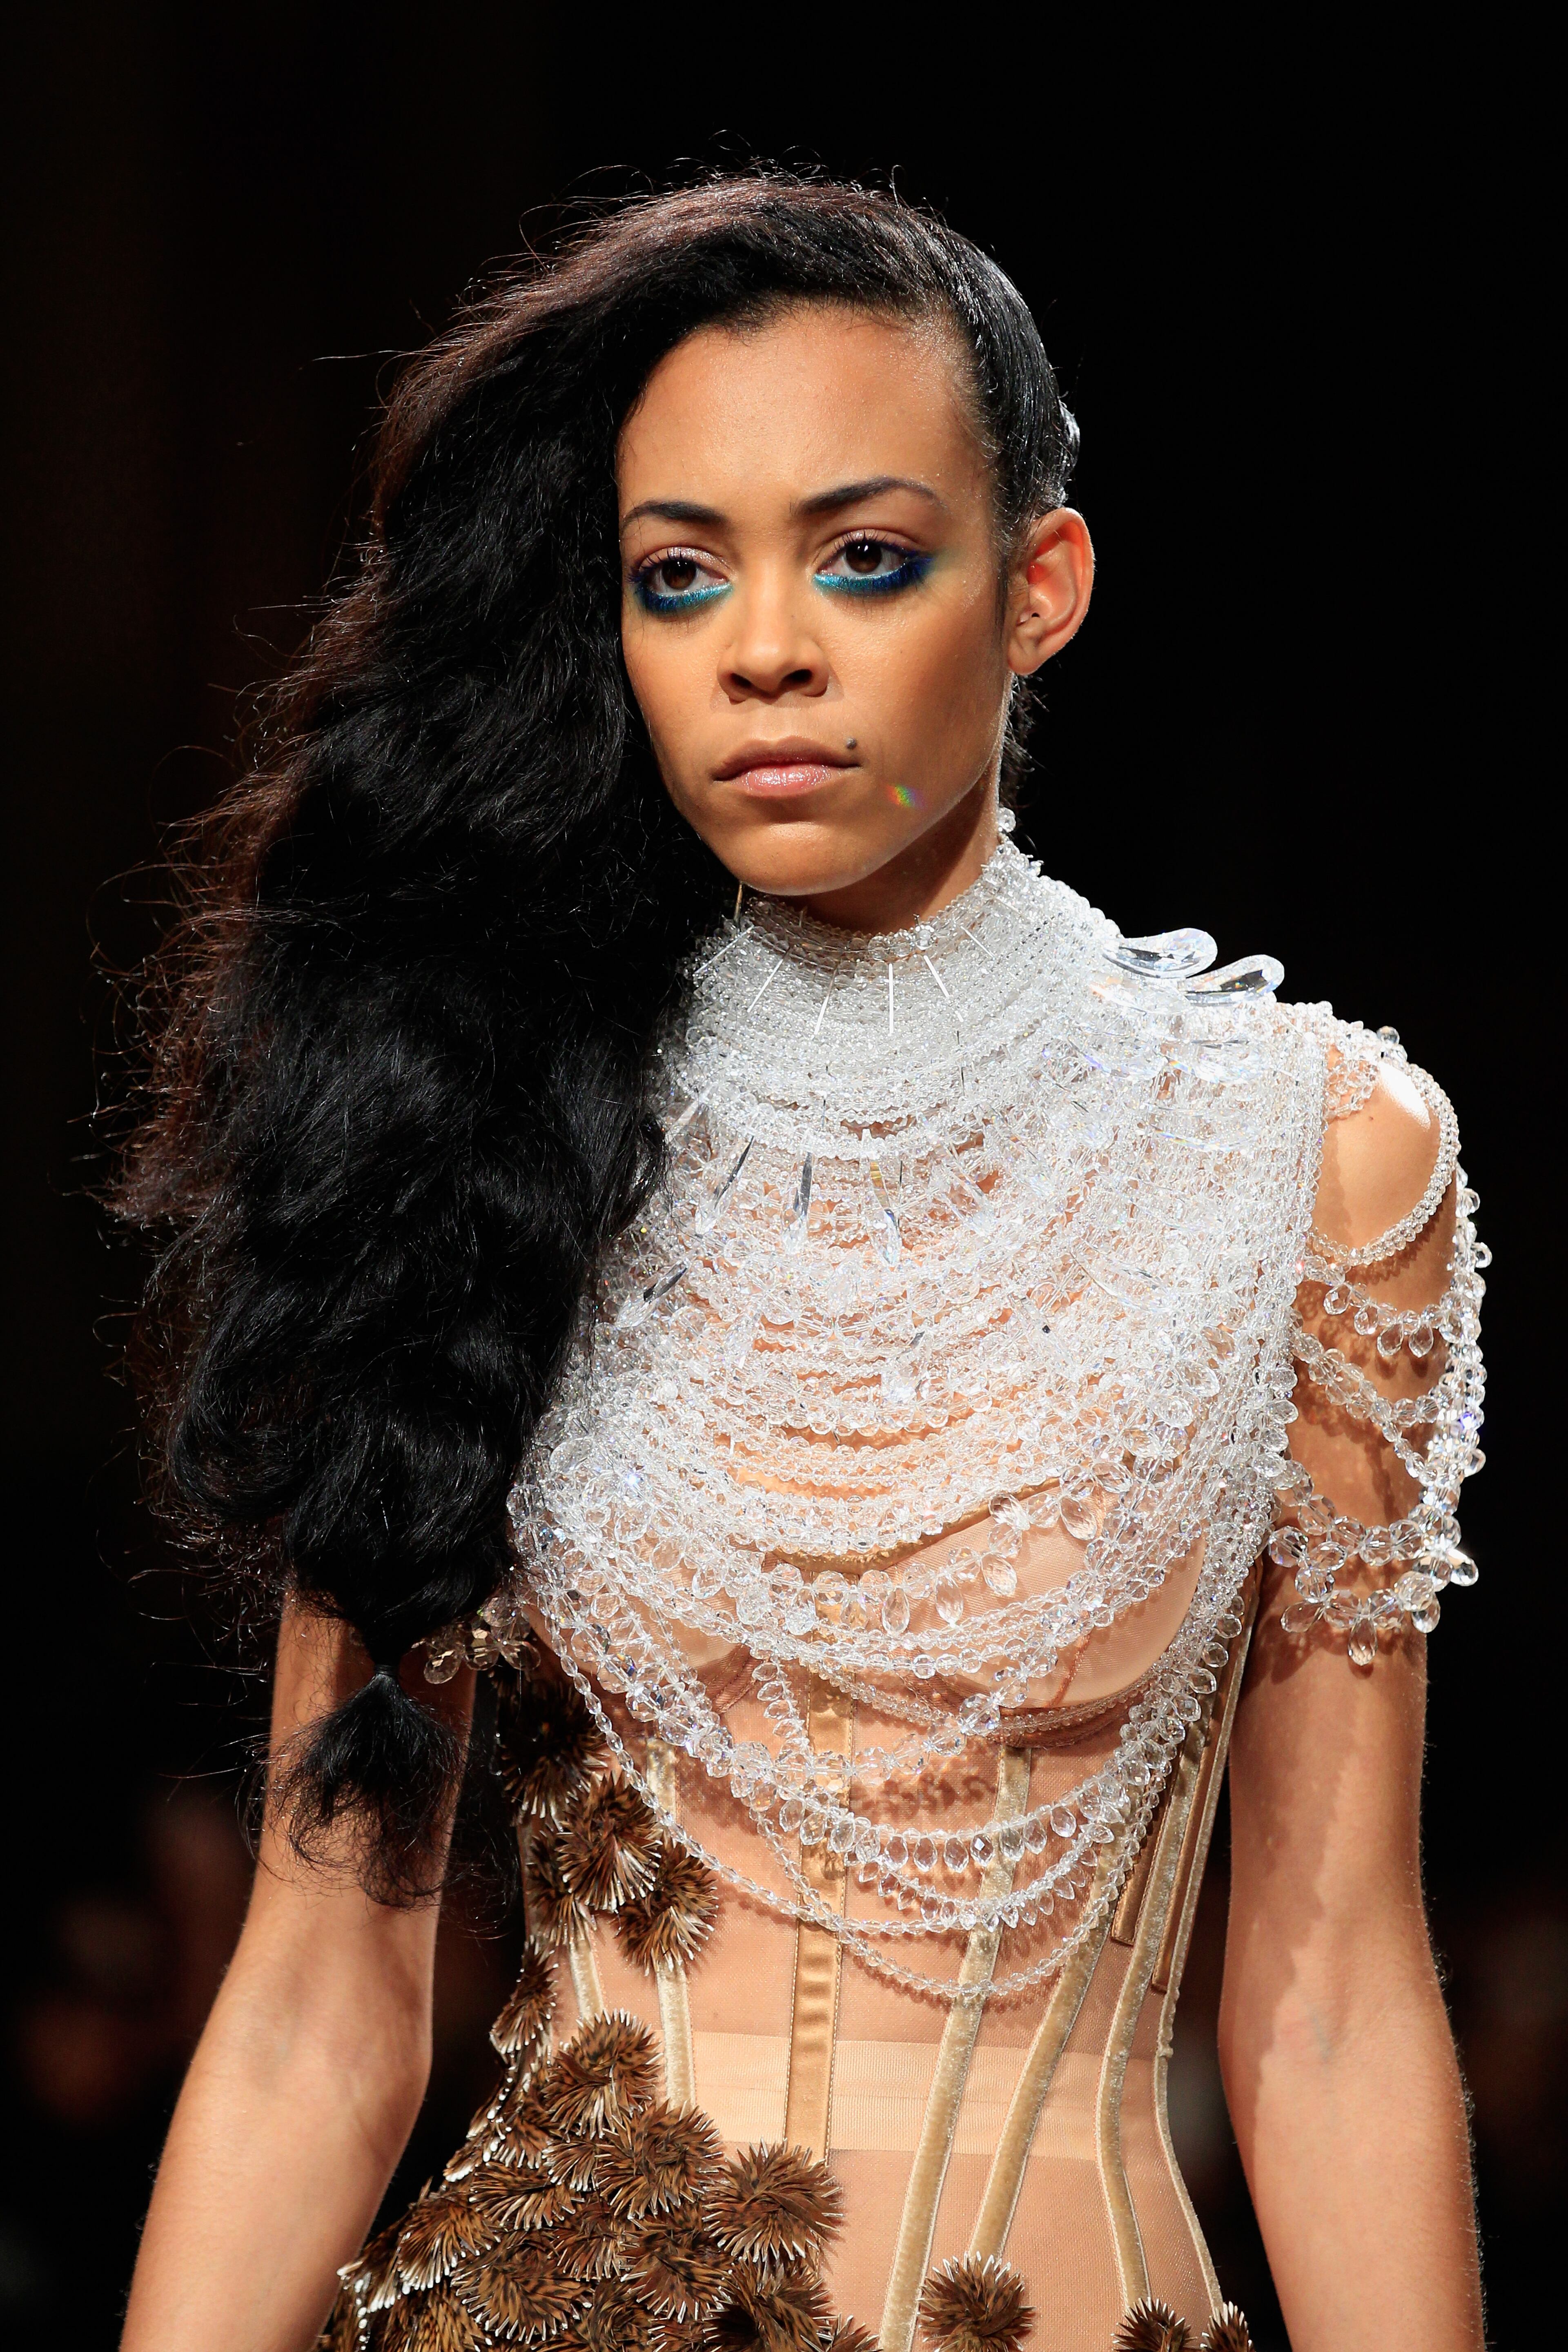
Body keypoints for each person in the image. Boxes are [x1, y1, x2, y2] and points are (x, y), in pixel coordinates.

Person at [117, 176, 1487, 2352]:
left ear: (1039, 589)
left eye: (865, 558)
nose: (766, 646)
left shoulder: (1309, 1161)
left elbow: (1327, 1998)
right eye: (679, 575)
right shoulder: (470, 1141)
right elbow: (315, 2007)